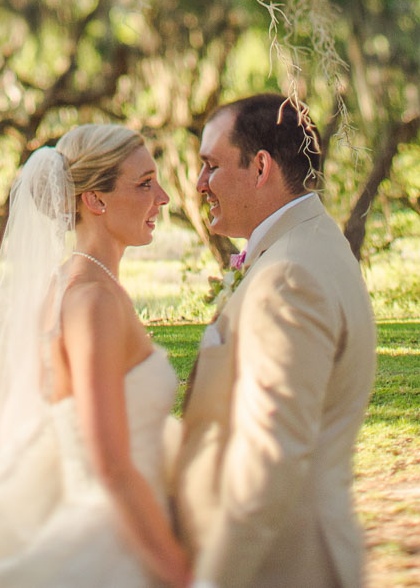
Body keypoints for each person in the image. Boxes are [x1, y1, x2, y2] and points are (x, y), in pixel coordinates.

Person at [0, 124, 194, 587]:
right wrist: (180, 572)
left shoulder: (75, 286)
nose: (165, 197)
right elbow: (110, 466)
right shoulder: (91, 302)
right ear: (95, 200)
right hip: (118, 548)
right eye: (144, 184)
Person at [172, 94, 377, 588]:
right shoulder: (314, 244)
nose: (200, 184)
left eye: (211, 166)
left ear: (261, 166)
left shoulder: (287, 278)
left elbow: (270, 458)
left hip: (285, 565)